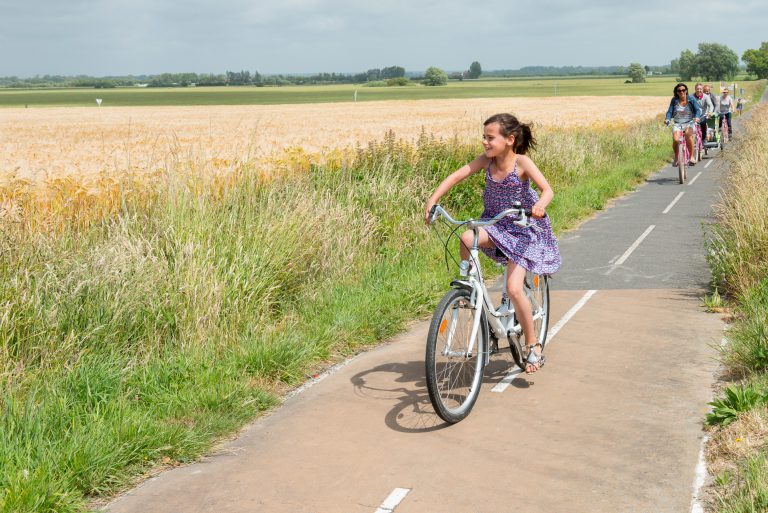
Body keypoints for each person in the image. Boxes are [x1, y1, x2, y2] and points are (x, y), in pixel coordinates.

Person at [424, 113, 561, 374]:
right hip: (495, 225)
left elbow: (547, 190)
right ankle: (470, 284)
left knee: (514, 288)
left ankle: (533, 344)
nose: (485, 142)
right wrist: (433, 200)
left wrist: (540, 206)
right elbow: (456, 176)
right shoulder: (486, 161)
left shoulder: (521, 163)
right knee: (467, 236)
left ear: (509, 139)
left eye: (490, 138)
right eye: (483, 137)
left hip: (522, 229)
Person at [665, 83, 702, 167]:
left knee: (688, 135)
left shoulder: (691, 99)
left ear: (686, 91)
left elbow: (697, 110)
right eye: (679, 91)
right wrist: (667, 119)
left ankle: (691, 156)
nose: (681, 92)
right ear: (677, 92)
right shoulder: (674, 100)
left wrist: (697, 117)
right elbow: (670, 111)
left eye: (683, 90)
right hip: (677, 123)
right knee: (676, 140)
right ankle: (676, 157)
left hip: (689, 122)